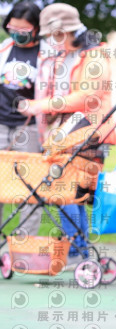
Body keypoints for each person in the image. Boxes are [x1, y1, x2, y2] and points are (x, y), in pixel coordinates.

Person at [19, 3, 116, 263]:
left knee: (67, 192)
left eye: (54, 35)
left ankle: (76, 251)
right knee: (69, 194)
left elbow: (87, 95)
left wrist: (40, 105)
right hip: (69, 135)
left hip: (90, 134)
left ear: (68, 32)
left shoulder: (95, 55)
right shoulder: (65, 56)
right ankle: (79, 251)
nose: (51, 41)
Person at [0, 1, 43, 236]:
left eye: (23, 31)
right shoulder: (5, 48)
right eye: (12, 28)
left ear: (37, 28)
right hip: (1, 123)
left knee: (27, 188)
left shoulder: (47, 54)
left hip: (30, 129)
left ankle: (24, 246)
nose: (17, 34)